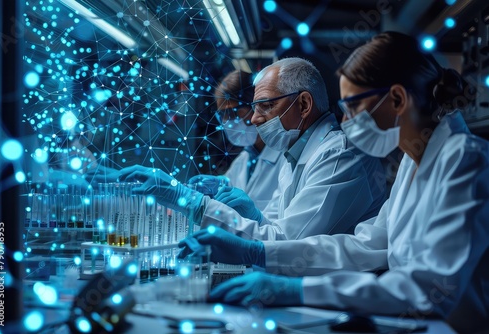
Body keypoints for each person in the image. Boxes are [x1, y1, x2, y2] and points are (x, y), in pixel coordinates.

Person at [178, 31, 489, 333]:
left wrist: (297, 289)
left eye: (353, 106)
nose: (346, 120)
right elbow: (366, 245)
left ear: (396, 99)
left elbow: (428, 286)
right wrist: (259, 253)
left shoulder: (465, 160)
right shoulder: (413, 159)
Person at [120, 57, 387, 240]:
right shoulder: (294, 154)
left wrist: (191, 202)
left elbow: (285, 242)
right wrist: (253, 214)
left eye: (265, 106)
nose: (255, 119)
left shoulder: (338, 155)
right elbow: (274, 227)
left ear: (304, 105)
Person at [188, 70, 284, 210]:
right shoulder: (244, 159)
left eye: (232, 113)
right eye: (222, 115)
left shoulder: (285, 158)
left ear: (257, 106)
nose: (228, 122)